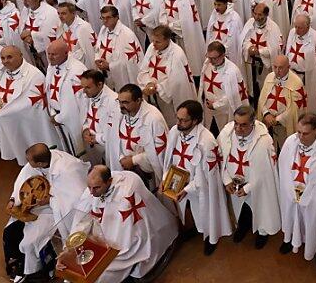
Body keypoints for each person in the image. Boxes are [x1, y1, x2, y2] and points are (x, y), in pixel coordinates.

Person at [68, 165, 177, 281]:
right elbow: (82, 218)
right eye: (89, 187)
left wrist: (107, 250)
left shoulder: (126, 192)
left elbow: (124, 234)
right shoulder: (92, 188)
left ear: (109, 181)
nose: (91, 192)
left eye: (96, 188)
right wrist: (70, 246)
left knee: (102, 273)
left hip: (128, 238)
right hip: (102, 237)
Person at [2, 143, 88, 280]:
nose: (28, 164)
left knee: (29, 242)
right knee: (10, 232)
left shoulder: (67, 168)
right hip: (37, 206)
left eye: (31, 162)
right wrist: (14, 200)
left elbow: (75, 198)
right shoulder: (37, 163)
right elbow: (23, 180)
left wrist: (49, 201)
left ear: (41, 163)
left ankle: (34, 273)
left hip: (57, 210)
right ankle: (22, 265)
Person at [162, 100, 233, 254]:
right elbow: (168, 157)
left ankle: (210, 237)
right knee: (186, 209)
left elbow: (207, 176)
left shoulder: (206, 141)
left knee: (205, 212)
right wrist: (165, 178)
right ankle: (192, 228)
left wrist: (188, 188)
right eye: (178, 118)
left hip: (200, 186)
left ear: (195, 120)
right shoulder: (175, 131)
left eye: (183, 120)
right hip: (177, 180)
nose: (178, 123)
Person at [277, 113, 316, 261]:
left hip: (313, 197)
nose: (300, 137)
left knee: (312, 221)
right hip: (292, 191)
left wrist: (309, 194)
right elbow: (283, 166)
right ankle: (289, 239)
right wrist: (289, 189)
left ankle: (314, 246)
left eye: (305, 133)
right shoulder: (290, 141)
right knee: (291, 215)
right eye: (298, 132)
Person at [217, 106, 281, 249]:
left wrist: (248, 187)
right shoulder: (227, 133)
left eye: (243, 125)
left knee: (260, 207)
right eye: (236, 123)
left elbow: (266, 172)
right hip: (234, 183)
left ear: (253, 123)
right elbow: (221, 158)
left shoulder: (264, 141)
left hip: (257, 185)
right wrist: (226, 179)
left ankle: (262, 232)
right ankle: (243, 226)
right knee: (240, 208)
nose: (238, 128)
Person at [0, 46, 60, 165]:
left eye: (9, 57)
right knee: (18, 143)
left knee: (32, 141)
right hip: (8, 117)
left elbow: (27, 101)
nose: (5, 61)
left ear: (21, 56)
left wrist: (5, 111)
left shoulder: (33, 74)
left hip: (29, 119)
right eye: (3, 58)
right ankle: (26, 161)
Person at [137, 25, 195, 125]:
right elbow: (144, 69)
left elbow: (177, 81)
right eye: (153, 40)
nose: (154, 44)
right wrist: (149, 83)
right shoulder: (152, 47)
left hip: (168, 96)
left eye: (158, 42)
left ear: (167, 40)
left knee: (171, 121)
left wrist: (157, 88)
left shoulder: (176, 54)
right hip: (152, 91)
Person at [44, 39, 88, 156]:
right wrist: (52, 111)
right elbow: (49, 89)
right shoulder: (52, 66)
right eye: (49, 54)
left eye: (54, 54)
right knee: (67, 146)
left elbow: (77, 101)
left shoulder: (77, 71)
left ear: (66, 52)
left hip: (72, 117)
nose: (50, 57)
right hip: (57, 114)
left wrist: (59, 118)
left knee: (79, 147)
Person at [199, 40, 250, 133]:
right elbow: (203, 84)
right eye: (209, 57)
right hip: (209, 109)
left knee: (224, 134)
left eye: (214, 58)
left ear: (223, 55)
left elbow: (232, 97)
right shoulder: (208, 63)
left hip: (225, 111)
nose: (210, 61)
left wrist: (215, 105)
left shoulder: (231, 72)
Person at [93, 6, 142, 90]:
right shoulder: (103, 30)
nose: (105, 21)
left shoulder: (127, 35)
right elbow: (98, 48)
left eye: (108, 17)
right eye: (103, 18)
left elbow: (131, 62)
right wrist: (97, 59)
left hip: (123, 79)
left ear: (117, 17)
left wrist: (110, 66)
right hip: (107, 75)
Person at [239, 2, 284, 89]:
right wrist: (249, 47)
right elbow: (244, 40)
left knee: (265, 86)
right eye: (255, 14)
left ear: (266, 14)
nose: (256, 17)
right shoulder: (250, 23)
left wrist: (260, 51)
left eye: (260, 15)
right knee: (253, 85)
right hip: (251, 62)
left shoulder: (273, 27)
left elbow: (276, 48)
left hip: (265, 65)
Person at [79, 70, 118, 165]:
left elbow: (115, 132)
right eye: (83, 87)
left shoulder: (114, 102)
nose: (84, 91)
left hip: (110, 147)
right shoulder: (88, 95)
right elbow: (86, 117)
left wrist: (97, 138)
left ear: (100, 84)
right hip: (95, 145)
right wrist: (85, 129)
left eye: (88, 87)